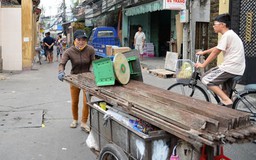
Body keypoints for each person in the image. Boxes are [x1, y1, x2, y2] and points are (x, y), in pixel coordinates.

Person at [195, 13, 245, 107]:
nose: (213, 26)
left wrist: (203, 65)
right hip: (235, 67)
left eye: (215, 24)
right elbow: (218, 47)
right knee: (225, 91)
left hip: (231, 67)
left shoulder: (227, 35)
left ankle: (227, 100)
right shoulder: (229, 34)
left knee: (206, 79)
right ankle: (227, 106)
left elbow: (216, 52)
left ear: (222, 24)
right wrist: (204, 52)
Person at [58, 29, 95, 132]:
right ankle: (75, 119)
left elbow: (94, 63)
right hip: (74, 79)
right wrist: (61, 71)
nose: (81, 42)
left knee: (86, 101)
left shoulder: (90, 50)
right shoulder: (69, 51)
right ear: (75, 40)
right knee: (75, 101)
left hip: (87, 79)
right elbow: (62, 63)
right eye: (79, 39)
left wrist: (94, 71)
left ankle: (84, 122)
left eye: (84, 39)